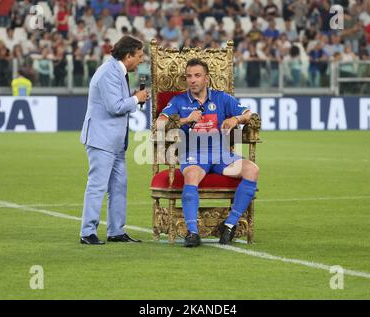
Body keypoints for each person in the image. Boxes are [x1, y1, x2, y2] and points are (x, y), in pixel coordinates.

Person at [156, 58, 259, 247]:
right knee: (192, 175)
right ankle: (193, 232)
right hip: (194, 154)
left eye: (197, 75)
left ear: (206, 78)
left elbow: (249, 114)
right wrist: (186, 120)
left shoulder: (221, 98)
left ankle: (229, 225)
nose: (192, 80)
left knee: (252, 169)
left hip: (221, 155)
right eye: (189, 76)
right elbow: (159, 123)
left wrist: (236, 119)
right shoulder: (179, 101)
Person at [79, 35, 148, 245]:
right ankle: (87, 232)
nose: (141, 60)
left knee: (119, 186)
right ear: (128, 56)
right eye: (139, 55)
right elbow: (115, 106)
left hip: (115, 142)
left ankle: (116, 231)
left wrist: (133, 97)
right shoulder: (109, 72)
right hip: (102, 140)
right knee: (98, 186)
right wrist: (137, 99)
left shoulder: (117, 71)